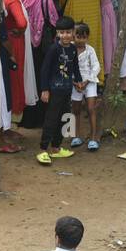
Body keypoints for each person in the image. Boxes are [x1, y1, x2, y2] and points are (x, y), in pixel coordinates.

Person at [37, 16, 78, 164]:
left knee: (65, 117)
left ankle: (56, 148)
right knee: (51, 119)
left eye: (68, 32)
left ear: (73, 32)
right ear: (57, 33)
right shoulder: (53, 49)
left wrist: (78, 81)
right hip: (54, 91)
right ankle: (43, 150)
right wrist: (44, 90)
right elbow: (45, 70)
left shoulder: (73, 49)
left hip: (67, 90)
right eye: (62, 32)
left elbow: (74, 67)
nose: (65, 35)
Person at [2, 0, 36, 120]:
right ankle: (13, 117)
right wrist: (21, 31)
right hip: (14, 42)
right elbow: (22, 23)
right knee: (16, 78)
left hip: (5, 41)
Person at [69, 22, 101, 152]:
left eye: (84, 37)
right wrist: (74, 82)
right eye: (78, 36)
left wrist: (87, 81)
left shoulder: (90, 50)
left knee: (91, 109)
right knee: (75, 110)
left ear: (87, 37)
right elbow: (66, 67)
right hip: (74, 84)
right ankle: (75, 136)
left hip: (90, 82)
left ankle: (93, 138)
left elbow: (96, 66)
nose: (81, 40)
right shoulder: (69, 49)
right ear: (73, 36)